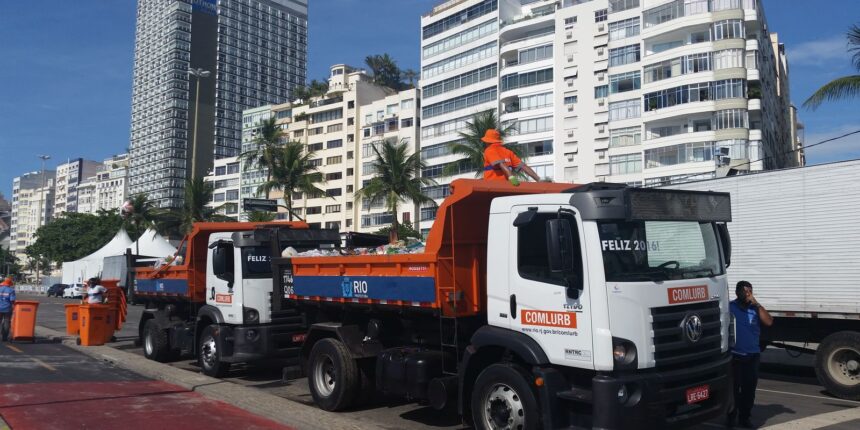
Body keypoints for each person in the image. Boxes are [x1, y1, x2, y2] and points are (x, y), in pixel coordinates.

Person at [728, 280, 773, 428]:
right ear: (737, 293)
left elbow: (769, 322)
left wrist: (757, 303)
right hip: (735, 356)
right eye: (744, 291)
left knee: (749, 391)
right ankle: (731, 418)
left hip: (752, 355)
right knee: (733, 391)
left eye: (750, 292)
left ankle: (744, 418)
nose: (747, 294)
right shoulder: (730, 307)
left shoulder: (755, 309)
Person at [0, 277, 16, 341]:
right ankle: (4, 337)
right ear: (10, 284)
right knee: (7, 321)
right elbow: (12, 300)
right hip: (7, 308)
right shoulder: (11, 290)